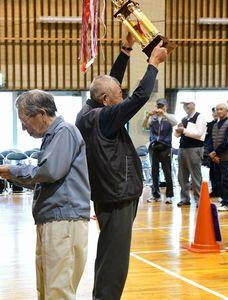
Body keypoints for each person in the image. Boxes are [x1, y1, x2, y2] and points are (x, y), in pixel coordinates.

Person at [75, 33, 168, 300]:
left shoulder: (88, 111)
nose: (121, 98)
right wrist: (153, 64)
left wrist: (126, 51)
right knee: (115, 258)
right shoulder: (104, 117)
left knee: (108, 251)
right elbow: (138, 97)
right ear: (106, 100)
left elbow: (111, 85)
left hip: (109, 193)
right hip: (118, 193)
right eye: (118, 96)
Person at [0, 90, 90, 300]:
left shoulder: (65, 132)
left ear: (41, 114)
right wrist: (11, 175)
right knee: (46, 288)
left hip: (64, 220)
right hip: (53, 218)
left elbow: (50, 172)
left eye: (24, 120)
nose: (23, 127)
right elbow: (45, 180)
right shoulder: (53, 136)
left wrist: (14, 171)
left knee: (58, 290)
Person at [142, 98, 177, 204]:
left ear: (166, 107)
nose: (160, 108)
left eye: (162, 106)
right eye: (158, 106)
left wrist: (164, 114)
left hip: (165, 147)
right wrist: (148, 115)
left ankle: (169, 196)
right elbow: (144, 126)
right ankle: (156, 195)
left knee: (167, 171)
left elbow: (175, 123)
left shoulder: (169, 117)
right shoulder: (153, 117)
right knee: (154, 172)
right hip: (154, 147)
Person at [174, 100, 207, 207]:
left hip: (195, 148)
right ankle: (185, 198)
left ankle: (199, 200)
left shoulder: (199, 117)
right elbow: (176, 135)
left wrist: (183, 130)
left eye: (187, 104)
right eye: (184, 104)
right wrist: (179, 130)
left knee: (195, 176)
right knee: (182, 176)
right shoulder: (184, 119)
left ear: (193, 104)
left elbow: (199, 133)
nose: (185, 106)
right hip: (182, 149)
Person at [206, 103, 228, 211]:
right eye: (217, 109)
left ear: (227, 111)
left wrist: (215, 153)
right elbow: (210, 141)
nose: (218, 111)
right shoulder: (214, 125)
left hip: (226, 156)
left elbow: (227, 141)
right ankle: (222, 200)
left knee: (226, 179)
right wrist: (212, 154)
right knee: (218, 179)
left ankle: (227, 202)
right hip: (215, 157)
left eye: (221, 109)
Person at [205, 107, 218, 197]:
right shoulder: (209, 125)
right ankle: (214, 190)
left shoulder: (227, 123)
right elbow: (206, 139)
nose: (216, 113)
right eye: (214, 112)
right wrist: (210, 152)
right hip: (210, 152)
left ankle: (224, 193)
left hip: (221, 152)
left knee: (222, 174)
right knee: (212, 172)